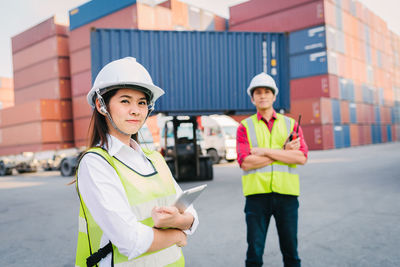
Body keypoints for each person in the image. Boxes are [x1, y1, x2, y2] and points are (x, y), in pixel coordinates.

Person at [74, 57, 198, 267]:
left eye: (141, 102)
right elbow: (130, 241)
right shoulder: (96, 163)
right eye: (125, 101)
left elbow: (193, 216)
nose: (136, 110)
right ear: (101, 105)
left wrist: (177, 221)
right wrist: (177, 236)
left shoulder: (154, 159)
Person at [236, 72, 308, 267]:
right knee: (254, 254)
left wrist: (263, 152)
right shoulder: (244, 126)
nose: (263, 95)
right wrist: (282, 153)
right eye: (258, 92)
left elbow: (301, 157)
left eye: (267, 91)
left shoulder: (291, 124)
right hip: (256, 197)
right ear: (252, 98)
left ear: (274, 96)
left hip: (287, 196)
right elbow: (245, 162)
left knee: (291, 252)